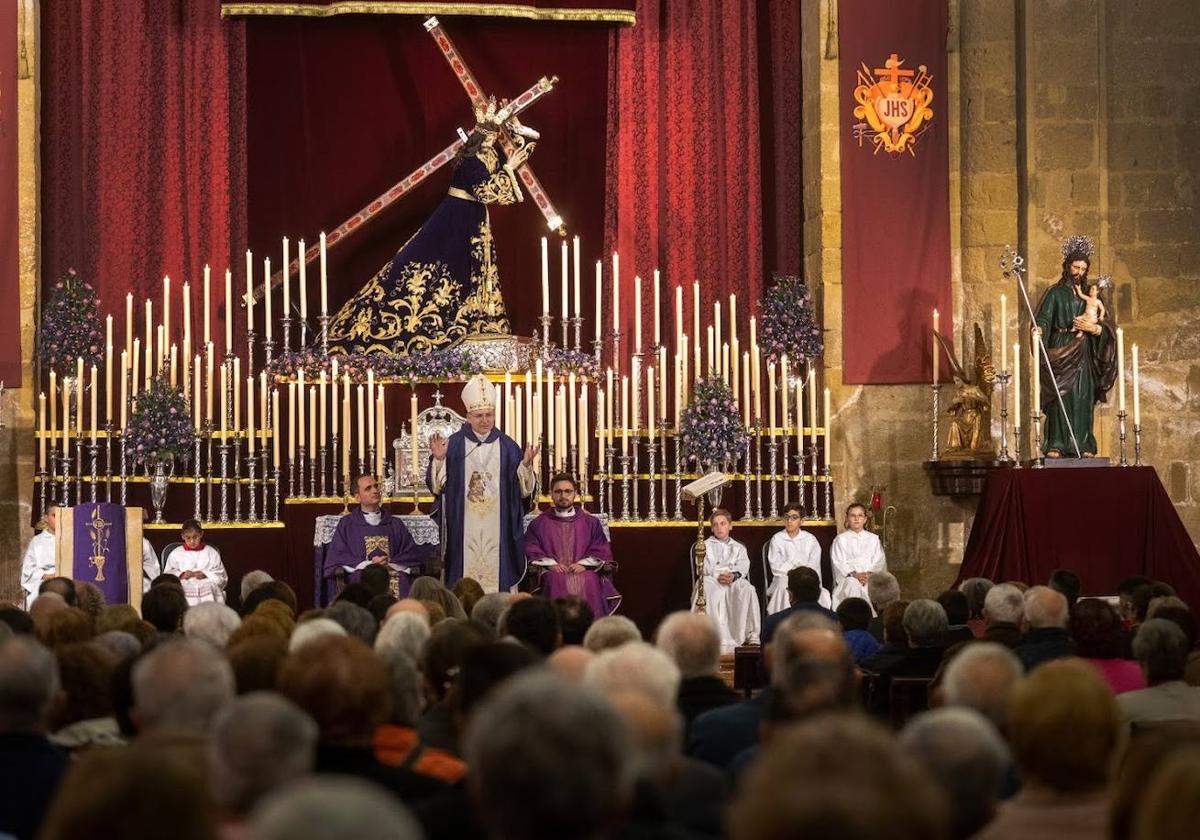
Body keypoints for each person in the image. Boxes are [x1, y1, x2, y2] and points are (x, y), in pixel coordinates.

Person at [326, 103, 536, 356]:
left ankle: (474, 324)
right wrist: (509, 169)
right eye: (489, 132)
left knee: (474, 272)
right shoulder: (470, 160)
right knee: (443, 267)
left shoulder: (490, 155)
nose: (493, 137)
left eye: (496, 132)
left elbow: (523, 148)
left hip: (474, 218)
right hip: (457, 218)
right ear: (480, 133)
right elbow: (484, 190)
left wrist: (516, 125)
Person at [428, 374, 537, 593]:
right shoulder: (455, 445)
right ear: (468, 416)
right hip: (463, 523)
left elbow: (523, 492)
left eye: (489, 415)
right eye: (479, 416)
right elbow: (439, 487)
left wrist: (525, 466)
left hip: (499, 526)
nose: (485, 420)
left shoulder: (507, 446)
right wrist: (439, 460)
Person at [1033, 234, 1118, 458]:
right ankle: (1057, 443)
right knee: (1061, 396)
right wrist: (1038, 329)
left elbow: (1107, 325)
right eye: (1075, 266)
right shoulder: (1055, 293)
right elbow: (1043, 318)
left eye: (1083, 268)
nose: (1079, 272)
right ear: (1067, 266)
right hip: (1060, 348)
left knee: (1082, 395)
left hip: (1084, 350)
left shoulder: (1092, 294)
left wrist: (1096, 330)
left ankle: (1084, 444)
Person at [525, 473, 620, 619]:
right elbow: (531, 547)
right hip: (554, 571)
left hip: (583, 569)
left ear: (575, 493)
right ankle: (555, 628)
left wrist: (584, 564)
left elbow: (601, 548)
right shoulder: (539, 523)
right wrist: (550, 564)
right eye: (558, 491)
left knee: (589, 579)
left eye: (568, 491)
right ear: (551, 495)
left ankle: (590, 628)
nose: (563, 495)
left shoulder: (590, 522)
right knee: (553, 579)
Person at [324, 474, 425, 602]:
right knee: (357, 581)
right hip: (362, 574)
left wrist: (390, 560)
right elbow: (337, 556)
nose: (375, 491)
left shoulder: (395, 523)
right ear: (357, 497)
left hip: (392, 572)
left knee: (403, 580)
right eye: (368, 488)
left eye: (376, 486)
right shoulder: (347, 524)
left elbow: (412, 554)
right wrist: (368, 564)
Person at [693, 508, 760, 651]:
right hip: (713, 579)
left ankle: (751, 634)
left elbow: (743, 565)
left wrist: (734, 575)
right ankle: (710, 635)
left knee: (747, 588)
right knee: (705, 587)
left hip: (732, 580)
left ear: (730, 525)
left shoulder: (738, 547)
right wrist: (720, 574)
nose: (719, 527)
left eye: (723, 523)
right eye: (715, 524)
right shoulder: (704, 545)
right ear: (711, 528)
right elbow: (702, 567)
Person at [765, 501, 828, 613]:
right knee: (784, 588)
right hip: (784, 578)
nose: (789, 521)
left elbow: (814, 565)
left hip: (807, 579)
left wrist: (800, 572)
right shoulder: (777, 539)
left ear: (802, 521)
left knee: (823, 594)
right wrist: (794, 570)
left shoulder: (810, 539)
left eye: (794, 518)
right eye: (786, 517)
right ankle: (784, 622)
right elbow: (775, 566)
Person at [761, 566, 838, 645]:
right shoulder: (837, 621)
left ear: (790, 594)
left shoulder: (773, 623)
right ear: (819, 592)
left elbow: (767, 655)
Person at [830, 502, 886, 608]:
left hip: (870, 578)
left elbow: (879, 561)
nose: (856, 519)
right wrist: (855, 575)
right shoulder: (841, 539)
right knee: (852, 585)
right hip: (849, 578)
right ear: (847, 518)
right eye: (853, 515)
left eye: (860, 515)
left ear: (865, 519)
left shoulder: (873, 539)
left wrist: (868, 574)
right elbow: (838, 562)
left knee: (872, 588)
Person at [161, 519, 228, 606]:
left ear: (201, 534)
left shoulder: (211, 552)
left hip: (206, 583)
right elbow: (168, 574)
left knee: (209, 588)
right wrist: (181, 574)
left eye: (195, 537)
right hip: (184, 584)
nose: (192, 541)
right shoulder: (175, 553)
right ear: (182, 536)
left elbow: (220, 575)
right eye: (188, 538)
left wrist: (205, 574)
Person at [20, 507, 58, 610]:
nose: (58, 519)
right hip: (44, 582)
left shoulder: (71, 539)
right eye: (54, 515)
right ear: (46, 518)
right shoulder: (37, 541)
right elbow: (28, 570)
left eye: (61, 515)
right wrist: (45, 576)